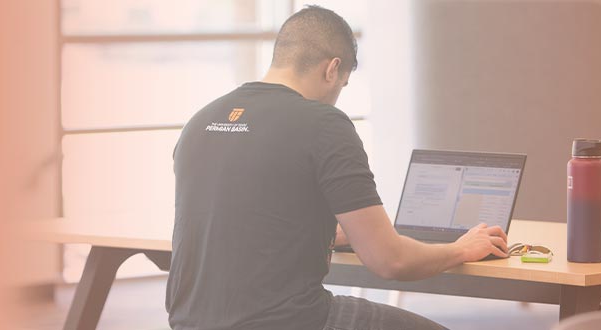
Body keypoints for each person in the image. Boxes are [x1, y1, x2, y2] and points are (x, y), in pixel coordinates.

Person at [166, 6, 509, 330]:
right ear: (332, 69)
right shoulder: (324, 123)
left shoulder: (200, 122)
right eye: (342, 86)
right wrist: (463, 248)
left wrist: (325, 230)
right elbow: (389, 261)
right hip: (289, 322)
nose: (337, 96)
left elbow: (242, 218)